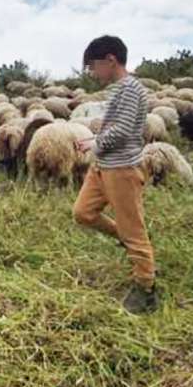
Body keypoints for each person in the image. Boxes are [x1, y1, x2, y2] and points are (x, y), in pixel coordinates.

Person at [73, 35, 159, 314]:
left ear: (110, 60)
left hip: (122, 169)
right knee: (83, 213)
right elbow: (116, 127)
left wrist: (96, 143)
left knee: (135, 231)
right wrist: (94, 141)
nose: (92, 72)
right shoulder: (118, 89)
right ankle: (121, 236)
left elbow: (122, 131)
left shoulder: (131, 89)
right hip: (103, 166)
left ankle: (146, 288)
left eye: (93, 66)